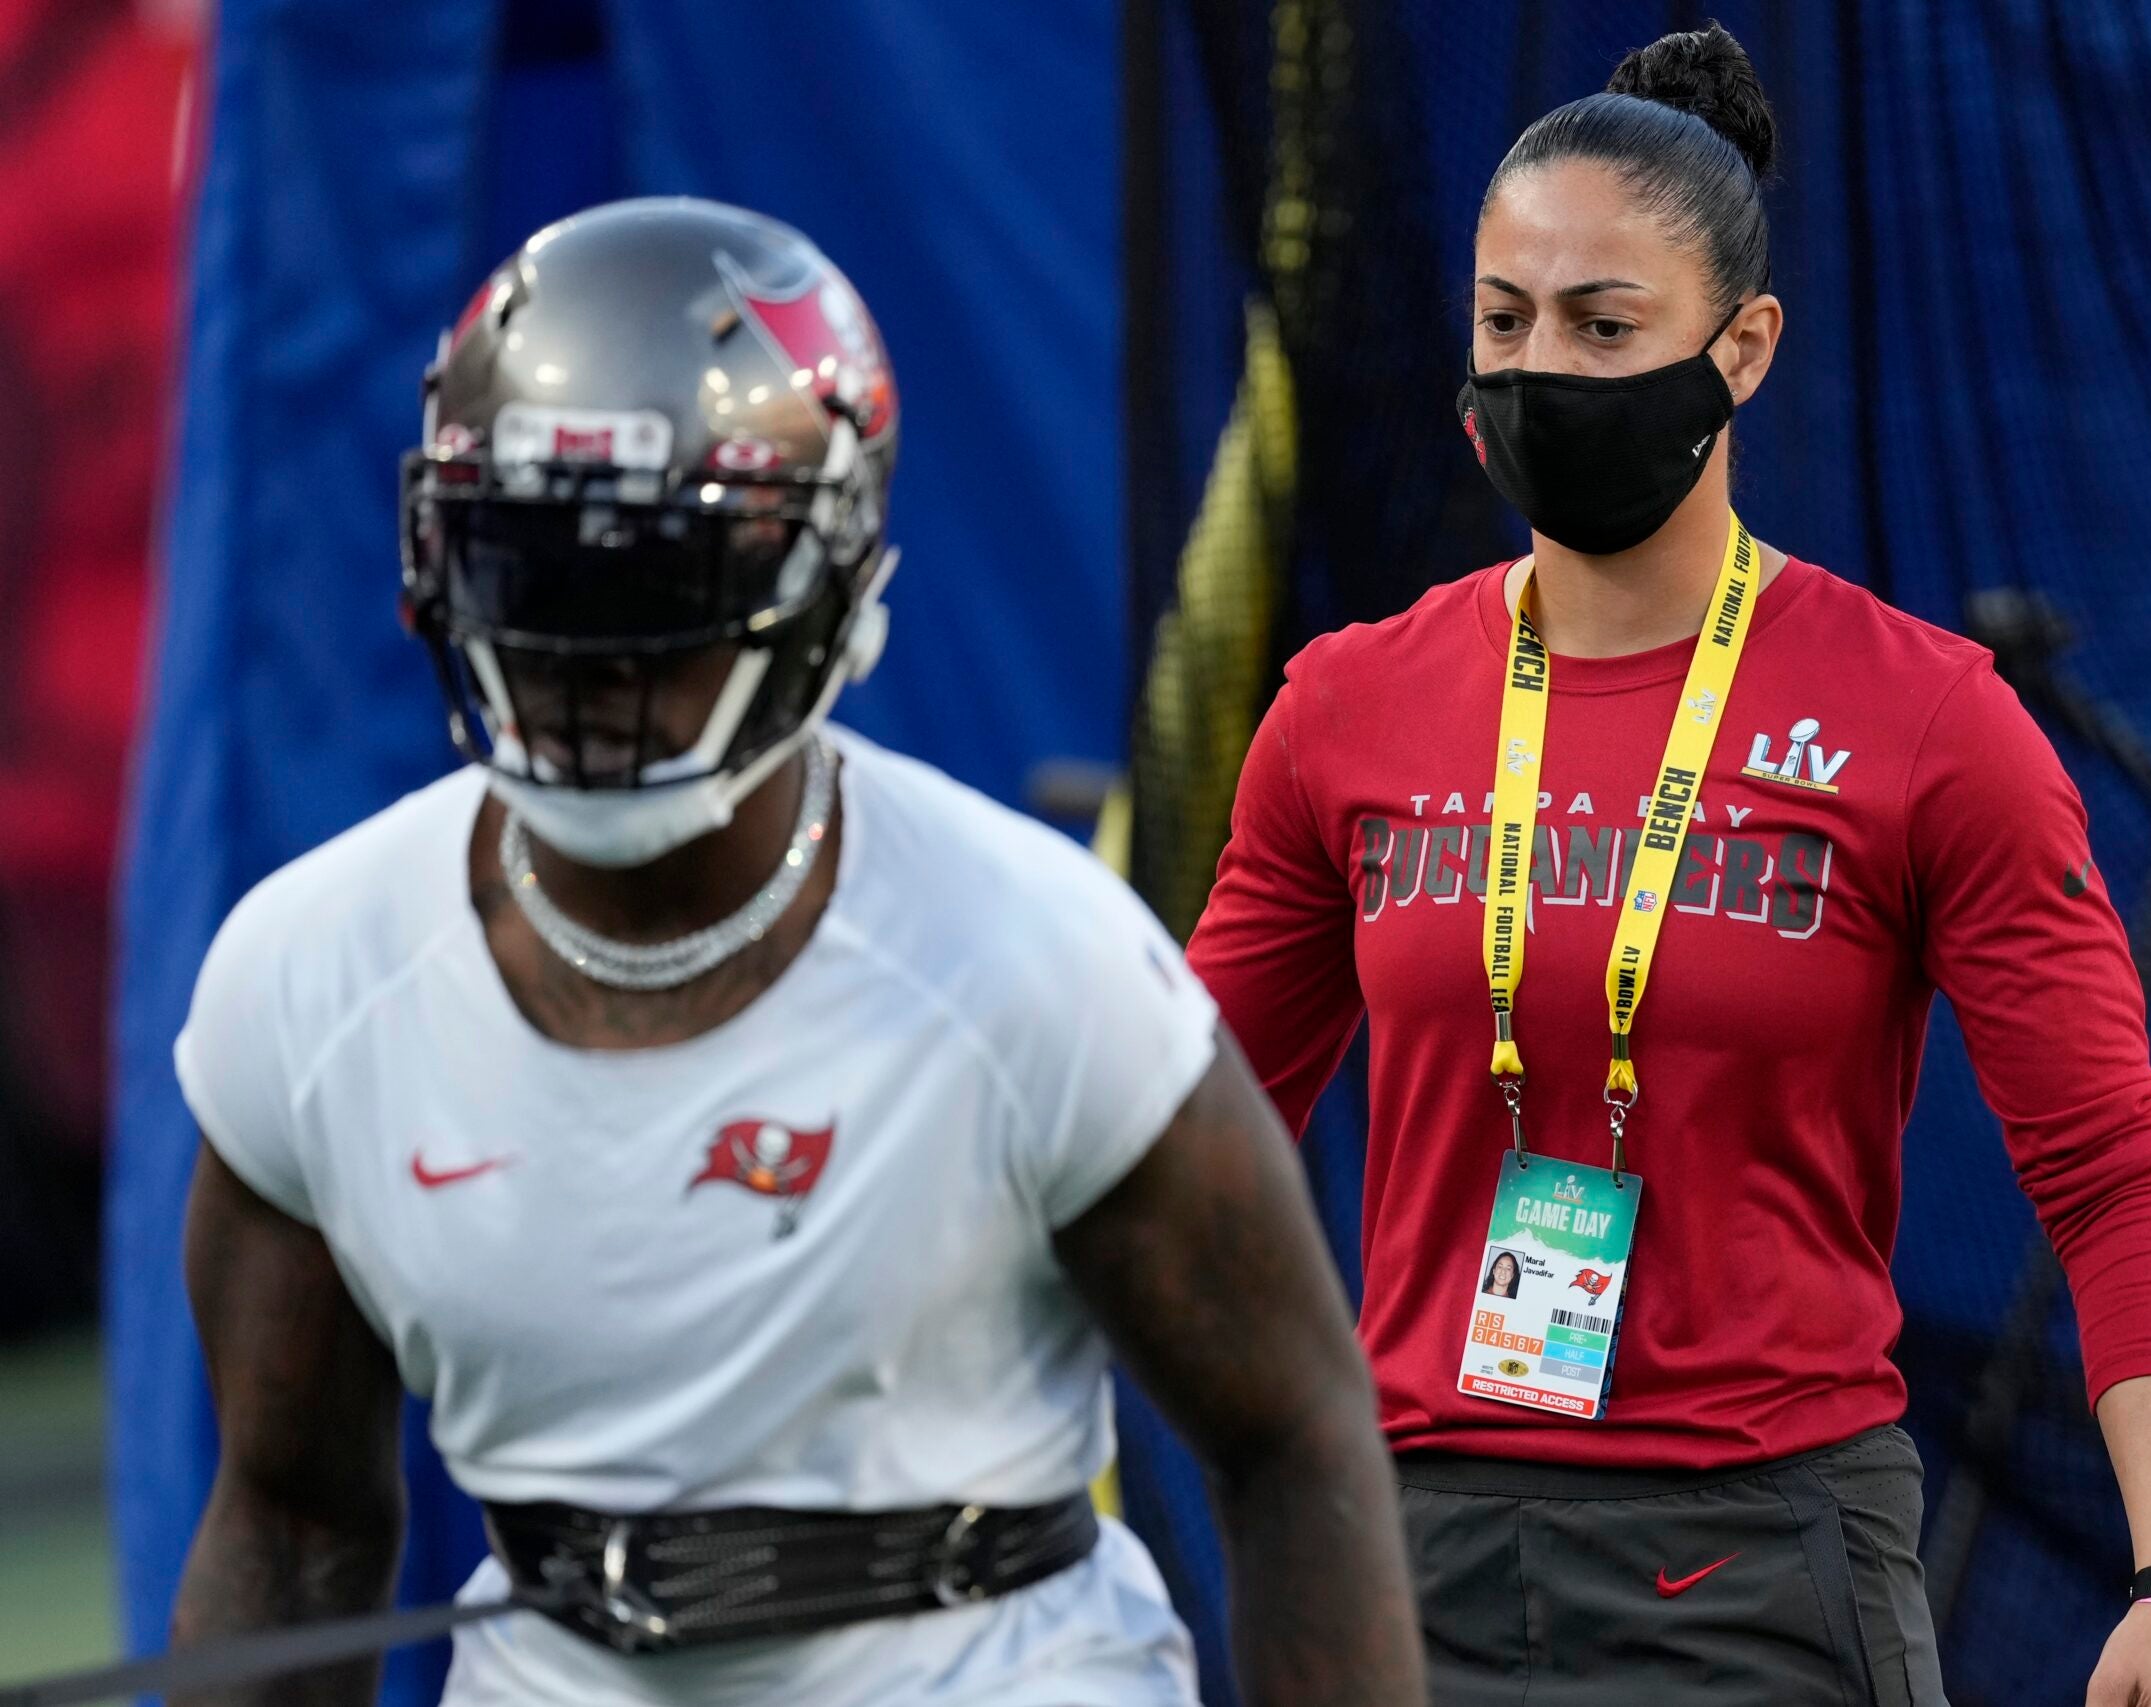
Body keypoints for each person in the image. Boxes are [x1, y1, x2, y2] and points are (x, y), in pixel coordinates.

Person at [166, 198, 1427, 1707]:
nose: (589, 660)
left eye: (655, 583)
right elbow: (294, 1518)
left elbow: (1289, 1435)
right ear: (441, 561)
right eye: (534, 572)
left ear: (826, 584)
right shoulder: (311, 975)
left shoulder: (1035, 957)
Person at [1186, 27, 2151, 1707]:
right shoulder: (1348, 708)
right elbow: (1169, 1124)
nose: (1541, 373)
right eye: (1503, 321)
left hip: (1759, 1567)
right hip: (1413, 1560)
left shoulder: (1928, 723)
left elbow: (2115, 1172)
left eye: (1606, 327)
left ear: (1742, 349)